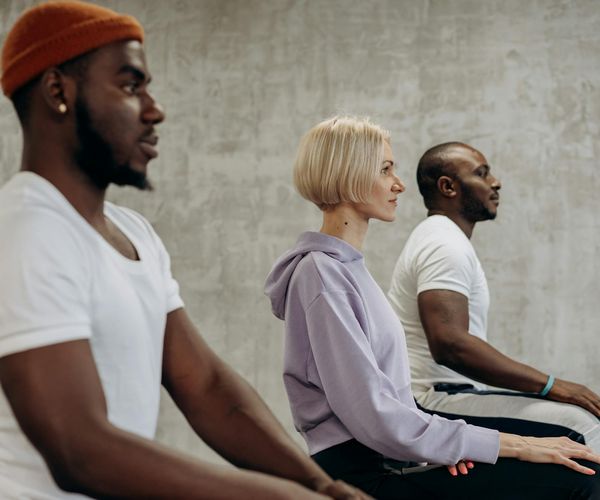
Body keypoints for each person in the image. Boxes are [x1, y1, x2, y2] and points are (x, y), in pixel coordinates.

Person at [0, 2, 369, 499]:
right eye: (131, 86)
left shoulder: (134, 233)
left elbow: (208, 388)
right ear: (57, 91)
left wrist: (320, 485)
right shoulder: (26, 229)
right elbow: (77, 448)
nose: (155, 109)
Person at [265, 116, 600, 499]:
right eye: (386, 169)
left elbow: (388, 410)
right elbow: (374, 415)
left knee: (576, 469)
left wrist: (441, 449)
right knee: (578, 479)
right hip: (364, 475)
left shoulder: (349, 270)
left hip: (392, 458)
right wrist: (517, 444)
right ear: (350, 175)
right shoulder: (321, 274)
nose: (399, 184)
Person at [387, 142, 600, 450]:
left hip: (450, 393)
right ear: (448, 187)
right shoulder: (443, 242)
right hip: (433, 399)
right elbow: (450, 344)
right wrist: (554, 386)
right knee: (583, 427)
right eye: (482, 173)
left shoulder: (442, 236)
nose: (495, 182)